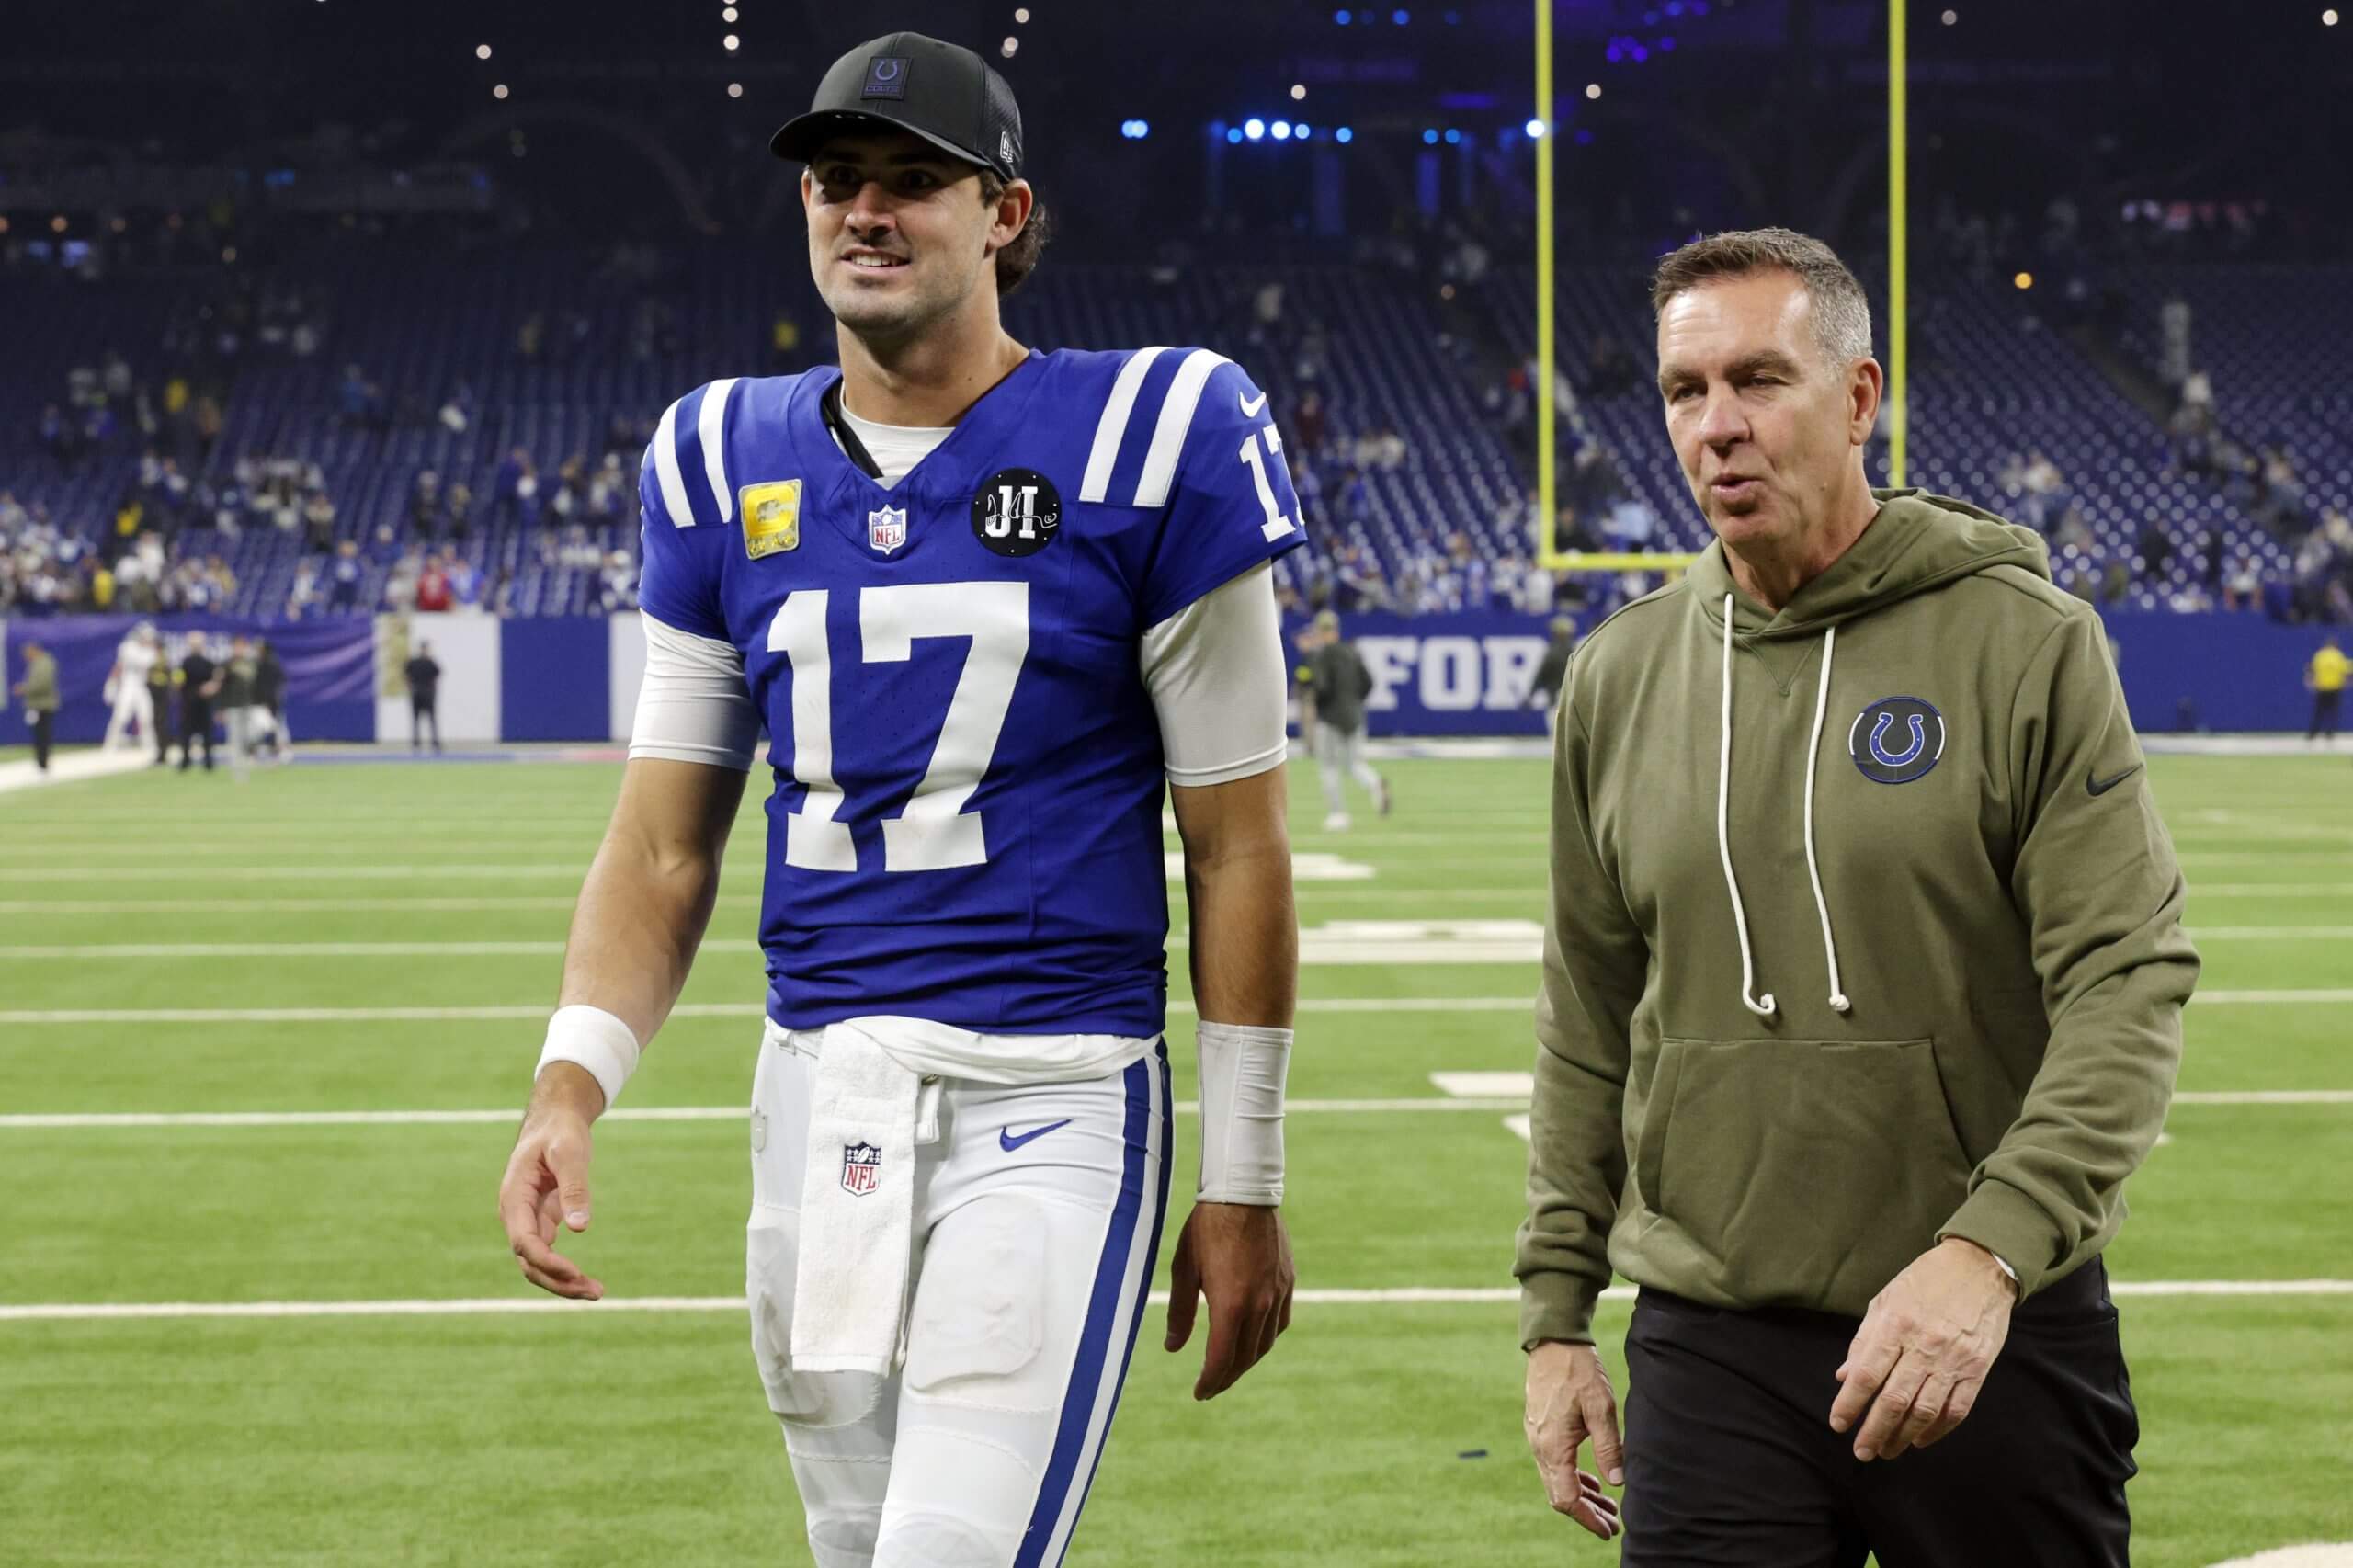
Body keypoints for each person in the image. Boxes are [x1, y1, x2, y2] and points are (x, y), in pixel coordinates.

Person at [494, 34, 1303, 1568]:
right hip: (819, 1099)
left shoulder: (1156, 431)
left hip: (1049, 1087)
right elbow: (662, 847)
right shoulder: (717, 455)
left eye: (914, 179)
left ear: (1005, 213)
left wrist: (1245, 1178)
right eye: (836, 179)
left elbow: (1236, 843)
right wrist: (569, 1084)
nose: (865, 209)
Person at [1517, 228, 2199, 1565]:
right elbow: (1586, 1016)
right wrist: (1554, 1316)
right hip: (1711, 1337)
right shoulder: (1619, 674)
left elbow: (2127, 980)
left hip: (1985, 1324)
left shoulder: (2022, 642)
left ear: (1858, 397)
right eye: (1685, 389)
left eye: (1759, 379)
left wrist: (1990, 1248)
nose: (1717, 425)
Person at [1301, 608, 1388, 829]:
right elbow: (1369, 682)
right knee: (1354, 764)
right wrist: (1354, 701)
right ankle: (1375, 783)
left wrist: (1316, 697)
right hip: (1355, 715)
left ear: (1320, 631)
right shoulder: (1351, 651)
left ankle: (1338, 814)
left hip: (1330, 717)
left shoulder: (1322, 655)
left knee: (1328, 767)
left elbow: (1322, 687)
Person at [101, 622, 161, 752]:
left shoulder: (150, 651)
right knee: (120, 717)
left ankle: (149, 746)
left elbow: (148, 664)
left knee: (146, 717)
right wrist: (112, 683)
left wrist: (150, 650)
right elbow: (120, 666)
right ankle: (110, 745)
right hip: (127, 686)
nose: (148, 640)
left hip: (142, 686)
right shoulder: (128, 647)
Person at [11, 639, 60, 772]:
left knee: (43, 735)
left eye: (27, 653)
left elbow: (43, 684)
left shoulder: (45, 663)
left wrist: (24, 689)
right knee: (39, 735)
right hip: (35, 705)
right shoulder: (36, 663)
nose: (26, 656)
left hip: (43, 705)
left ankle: (43, 763)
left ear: (34, 650)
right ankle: (40, 762)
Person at [218, 633, 259, 783]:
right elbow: (222, 688)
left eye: (241, 646)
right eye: (236, 646)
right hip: (233, 706)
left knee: (251, 734)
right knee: (235, 739)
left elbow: (256, 686)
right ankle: (238, 770)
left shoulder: (251, 663)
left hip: (248, 705)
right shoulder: (227, 664)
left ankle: (247, 762)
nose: (239, 649)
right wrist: (221, 708)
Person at [176, 635, 222, 772]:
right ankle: (187, 761)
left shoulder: (207, 663)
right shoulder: (185, 663)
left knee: (206, 733)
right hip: (190, 702)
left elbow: (216, 680)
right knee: (188, 733)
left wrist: (211, 687)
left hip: (202, 702)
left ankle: (207, 761)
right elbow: (178, 681)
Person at [1530, 614, 1576, 736]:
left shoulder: (1554, 651)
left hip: (1555, 699)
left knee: (1556, 737)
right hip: (1572, 700)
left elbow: (1541, 674)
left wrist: (1531, 694)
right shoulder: (1575, 650)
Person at [253, 637, 291, 763]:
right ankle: (266, 751)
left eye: (259, 648)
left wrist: (269, 701)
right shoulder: (261, 663)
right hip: (265, 701)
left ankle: (280, 751)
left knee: (274, 727)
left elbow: (275, 684)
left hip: (270, 702)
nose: (256, 650)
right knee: (265, 728)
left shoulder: (269, 664)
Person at [2305, 632, 2347, 744]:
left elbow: (2311, 670)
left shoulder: (2319, 655)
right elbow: (2345, 672)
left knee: (2319, 712)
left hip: (2322, 687)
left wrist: (2310, 681)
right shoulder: (2339, 656)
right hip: (2335, 688)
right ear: (2335, 646)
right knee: (2332, 712)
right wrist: (2345, 682)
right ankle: (2329, 733)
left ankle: (2312, 734)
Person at [404, 640, 442, 753]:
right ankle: (417, 742)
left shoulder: (430, 662)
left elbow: (437, 675)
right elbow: (406, 675)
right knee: (417, 719)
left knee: (431, 718)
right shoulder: (416, 662)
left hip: (426, 693)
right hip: (419, 692)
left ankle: (434, 742)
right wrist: (410, 687)